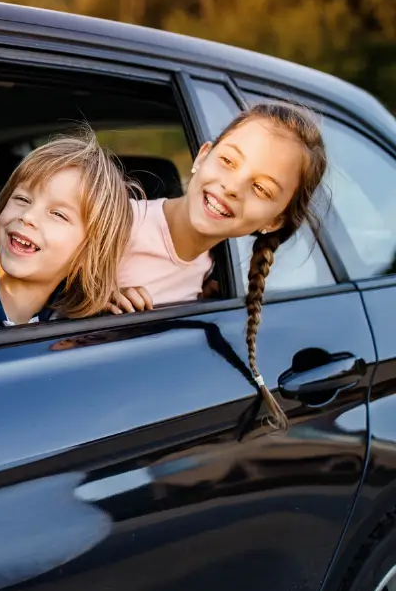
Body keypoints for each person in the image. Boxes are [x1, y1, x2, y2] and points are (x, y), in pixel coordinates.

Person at [110, 102, 329, 429]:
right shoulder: (113, 224)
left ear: (274, 221)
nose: (232, 187)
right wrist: (97, 299)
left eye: (260, 188)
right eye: (228, 161)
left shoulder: (217, 277)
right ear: (202, 157)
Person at [0, 133, 135, 330]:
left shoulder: (84, 322)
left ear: (90, 251)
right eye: (22, 199)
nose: (28, 216)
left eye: (58, 214)